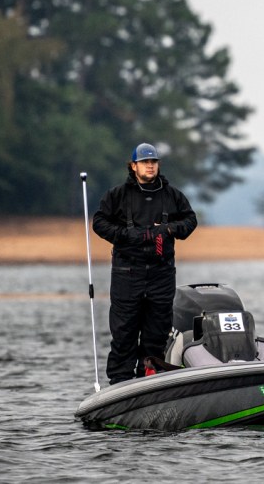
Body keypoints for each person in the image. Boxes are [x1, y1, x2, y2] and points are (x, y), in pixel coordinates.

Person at [92, 142, 198, 384]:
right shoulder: (117, 195)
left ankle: (150, 381)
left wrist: (169, 229)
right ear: (133, 166)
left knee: (157, 333)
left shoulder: (172, 195)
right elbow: (99, 222)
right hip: (127, 274)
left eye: (153, 162)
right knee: (124, 333)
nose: (150, 166)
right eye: (145, 162)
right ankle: (120, 383)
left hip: (162, 274)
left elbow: (190, 220)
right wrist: (126, 234)